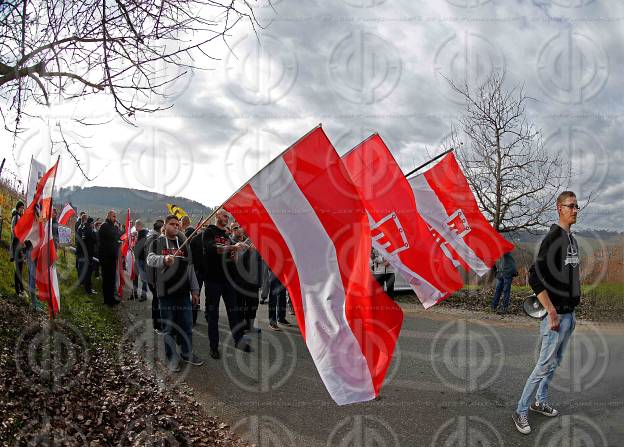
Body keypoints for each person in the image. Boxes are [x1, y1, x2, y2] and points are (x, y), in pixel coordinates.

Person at [512, 191, 581, 435]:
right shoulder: (553, 238)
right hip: (556, 317)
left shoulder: (571, 240)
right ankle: (520, 410)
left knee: (554, 363)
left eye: (576, 206)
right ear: (559, 208)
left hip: (569, 315)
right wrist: (551, 310)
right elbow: (534, 275)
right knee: (543, 366)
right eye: (570, 206)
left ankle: (540, 401)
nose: (575, 210)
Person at [147, 215, 203, 372]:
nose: (176, 227)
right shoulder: (157, 242)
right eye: (172, 224)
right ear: (165, 226)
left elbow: (190, 268)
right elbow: (150, 260)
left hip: (183, 293)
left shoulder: (184, 244)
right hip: (166, 293)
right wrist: (164, 259)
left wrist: (195, 290)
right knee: (168, 328)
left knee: (186, 326)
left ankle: (187, 353)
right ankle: (172, 357)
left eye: (178, 225)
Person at [202, 209, 250, 359]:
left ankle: (238, 340)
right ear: (216, 215)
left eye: (228, 216)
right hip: (212, 280)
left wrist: (235, 255)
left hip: (228, 280)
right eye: (224, 215)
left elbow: (230, 258)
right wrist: (232, 247)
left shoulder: (227, 235)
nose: (227, 218)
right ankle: (213, 346)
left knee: (233, 312)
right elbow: (212, 250)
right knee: (213, 314)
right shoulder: (209, 232)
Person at [229, 222, 262, 333]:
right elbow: (236, 262)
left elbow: (259, 259)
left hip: (253, 279)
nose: (238, 229)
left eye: (240, 226)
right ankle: (241, 327)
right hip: (239, 280)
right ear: (231, 230)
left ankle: (250, 326)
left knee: (253, 303)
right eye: (235, 228)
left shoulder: (251, 240)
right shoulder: (231, 243)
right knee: (240, 305)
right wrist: (248, 251)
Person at [185, 219, 206, 326]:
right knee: (195, 294)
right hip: (198, 271)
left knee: (193, 295)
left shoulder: (188, 243)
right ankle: (193, 318)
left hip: (195, 271)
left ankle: (192, 319)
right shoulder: (196, 241)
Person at [98, 210, 121, 306]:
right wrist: (117, 229)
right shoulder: (105, 225)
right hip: (106, 258)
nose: (115, 219)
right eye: (113, 217)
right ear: (108, 216)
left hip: (111, 257)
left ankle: (111, 298)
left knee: (111, 280)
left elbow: (115, 238)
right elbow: (113, 235)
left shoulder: (112, 226)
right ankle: (107, 300)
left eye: (115, 217)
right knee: (107, 280)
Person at [10, 200, 26, 296]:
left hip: (20, 245)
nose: (22, 209)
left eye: (23, 207)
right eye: (21, 207)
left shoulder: (20, 217)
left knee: (20, 268)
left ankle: (21, 288)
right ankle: (18, 290)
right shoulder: (16, 217)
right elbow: (13, 231)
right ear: (17, 208)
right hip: (17, 245)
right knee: (18, 268)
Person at [132, 219, 149, 302]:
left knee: (143, 278)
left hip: (142, 259)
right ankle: (136, 293)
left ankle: (143, 294)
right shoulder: (141, 234)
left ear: (139, 226)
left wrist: (134, 248)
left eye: (136, 225)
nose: (135, 227)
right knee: (135, 276)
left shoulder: (143, 235)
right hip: (139, 259)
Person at [80, 217, 98, 294]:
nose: (94, 224)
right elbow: (95, 239)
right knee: (88, 272)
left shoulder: (85, 229)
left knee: (87, 271)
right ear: (91, 223)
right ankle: (88, 290)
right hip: (88, 253)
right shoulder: (89, 230)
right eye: (93, 223)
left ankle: (87, 288)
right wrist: (94, 232)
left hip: (86, 253)